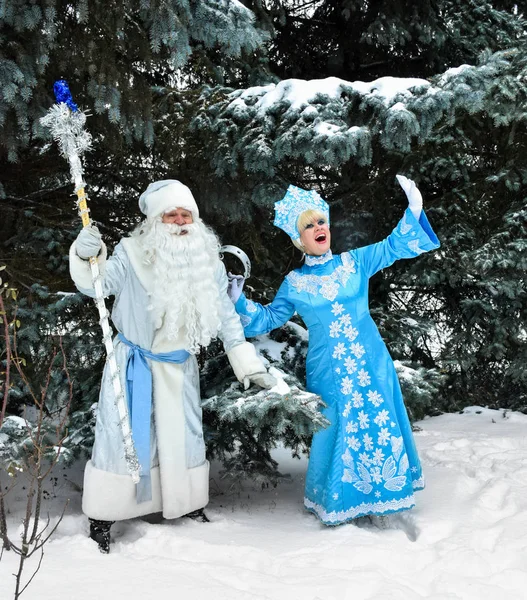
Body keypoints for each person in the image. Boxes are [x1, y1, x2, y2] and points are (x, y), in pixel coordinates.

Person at [69, 179, 275, 552]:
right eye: (171, 214)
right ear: (154, 220)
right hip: (135, 365)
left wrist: (244, 360)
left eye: (186, 215)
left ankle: (185, 503)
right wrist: (88, 256)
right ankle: (104, 514)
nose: (180, 222)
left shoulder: (205, 261)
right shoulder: (131, 253)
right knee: (124, 439)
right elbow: (98, 285)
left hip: (180, 368)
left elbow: (225, 314)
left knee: (183, 438)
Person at [228, 175, 440, 527]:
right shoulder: (294, 283)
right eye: (308, 225)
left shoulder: (354, 262)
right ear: (298, 239)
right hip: (329, 369)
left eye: (321, 221)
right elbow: (265, 319)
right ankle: (341, 499)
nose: (318, 228)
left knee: (379, 420)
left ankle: (386, 492)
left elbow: (391, 247)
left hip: (372, 361)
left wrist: (414, 210)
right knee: (337, 425)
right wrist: (238, 301)